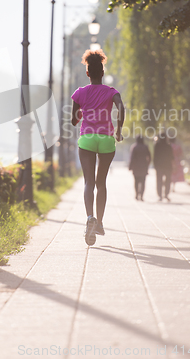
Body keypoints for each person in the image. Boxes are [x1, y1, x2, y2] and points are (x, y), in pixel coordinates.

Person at [71, 49, 124, 246]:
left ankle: (89, 218)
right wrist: (118, 131)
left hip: (87, 139)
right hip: (106, 138)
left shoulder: (80, 93)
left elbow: (74, 121)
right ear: (102, 72)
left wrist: (84, 111)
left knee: (88, 182)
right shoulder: (111, 92)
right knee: (101, 183)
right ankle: (100, 223)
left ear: (88, 73)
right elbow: (121, 107)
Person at [129, 135, 151, 200]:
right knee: (143, 181)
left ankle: (136, 194)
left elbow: (132, 158)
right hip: (144, 166)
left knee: (136, 181)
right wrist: (148, 164)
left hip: (136, 167)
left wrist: (130, 166)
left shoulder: (134, 147)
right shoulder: (145, 147)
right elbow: (149, 157)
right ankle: (141, 195)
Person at [153, 132, 174, 201]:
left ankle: (160, 195)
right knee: (168, 181)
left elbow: (155, 157)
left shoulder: (157, 145)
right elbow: (172, 157)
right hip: (168, 166)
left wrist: (155, 165)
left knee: (159, 181)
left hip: (159, 166)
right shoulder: (168, 146)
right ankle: (166, 194)